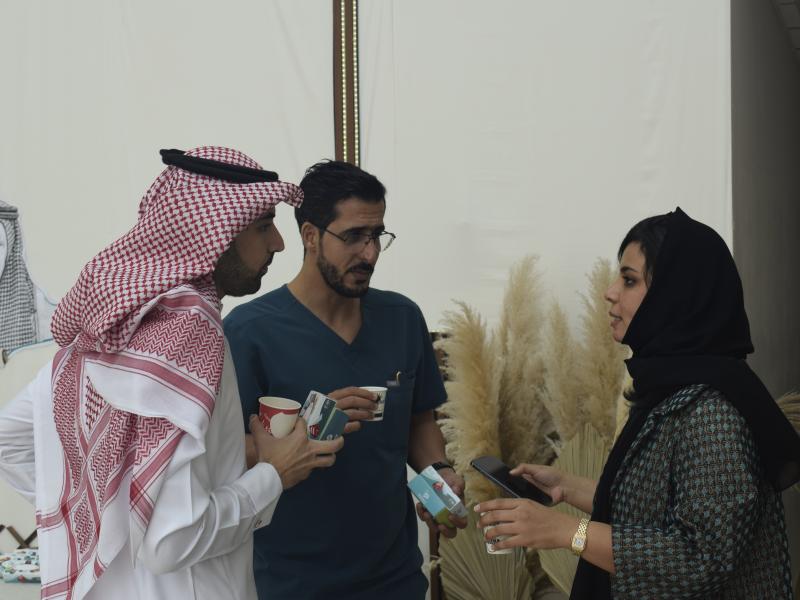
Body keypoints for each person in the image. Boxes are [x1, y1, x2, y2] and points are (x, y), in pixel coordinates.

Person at [0, 146, 343, 600]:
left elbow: (10, 440)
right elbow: (172, 542)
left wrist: (104, 518)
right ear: (215, 231)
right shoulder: (189, 330)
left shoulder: (115, 323)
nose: (278, 243)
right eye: (263, 226)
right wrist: (274, 474)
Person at [476, 207, 800, 599]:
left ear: (674, 296)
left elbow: (700, 559)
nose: (610, 291)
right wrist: (567, 487)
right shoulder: (670, 387)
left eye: (629, 280)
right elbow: (656, 510)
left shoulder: (712, 412)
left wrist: (565, 531)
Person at [224, 160, 466, 599]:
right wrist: (311, 428)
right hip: (289, 583)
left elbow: (419, 422)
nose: (369, 254)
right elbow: (222, 453)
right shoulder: (248, 332)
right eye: (353, 236)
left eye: (377, 236)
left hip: (396, 580)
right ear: (310, 235)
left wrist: (440, 480)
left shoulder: (403, 318)